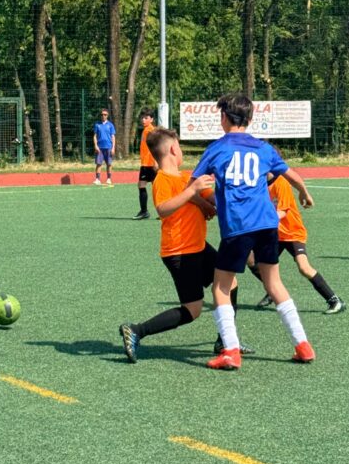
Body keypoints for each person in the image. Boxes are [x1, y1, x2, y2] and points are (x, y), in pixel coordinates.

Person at [192, 92, 316, 369]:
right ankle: (303, 345)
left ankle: (231, 351)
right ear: (249, 119)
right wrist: (304, 193)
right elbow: (291, 175)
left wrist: (207, 204)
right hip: (268, 224)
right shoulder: (263, 148)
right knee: (274, 283)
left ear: (224, 117)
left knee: (221, 287)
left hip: (238, 226)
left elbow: (195, 186)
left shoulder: (217, 149)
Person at [118, 127, 251, 362]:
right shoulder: (162, 179)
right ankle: (137, 330)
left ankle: (225, 340)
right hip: (179, 251)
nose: (181, 151)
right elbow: (163, 209)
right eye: (179, 147)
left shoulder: (186, 177)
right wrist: (192, 192)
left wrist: (219, 200)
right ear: (172, 149)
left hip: (198, 246)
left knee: (230, 283)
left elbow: (211, 197)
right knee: (193, 309)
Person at [251, 175, 345, 314]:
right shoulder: (258, 183)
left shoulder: (281, 182)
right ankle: (273, 291)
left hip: (292, 233)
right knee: (255, 262)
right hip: (274, 234)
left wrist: (261, 219)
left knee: (304, 268)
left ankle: (334, 300)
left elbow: (282, 211)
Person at [134, 108, 157, 219]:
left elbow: (156, 146)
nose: (143, 120)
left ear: (151, 119)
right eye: (142, 118)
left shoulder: (150, 131)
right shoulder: (146, 130)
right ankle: (144, 212)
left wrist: (156, 161)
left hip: (151, 164)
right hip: (145, 164)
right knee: (142, 185)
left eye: (146, 118)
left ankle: (164, 212)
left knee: (156, 188)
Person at [92, 108, 116, 186]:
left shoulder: (110, 125)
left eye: (105, 114)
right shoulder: (97, 124)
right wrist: (96, 146)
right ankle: (97, 179)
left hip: (109, 147)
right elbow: (95, 136)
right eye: (102, 114)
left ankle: (109, 179)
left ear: (107, 115)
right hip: (100, 148)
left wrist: (113, 148)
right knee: (99, 163)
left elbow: (113, 137)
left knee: (109, 163)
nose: (103, 116)